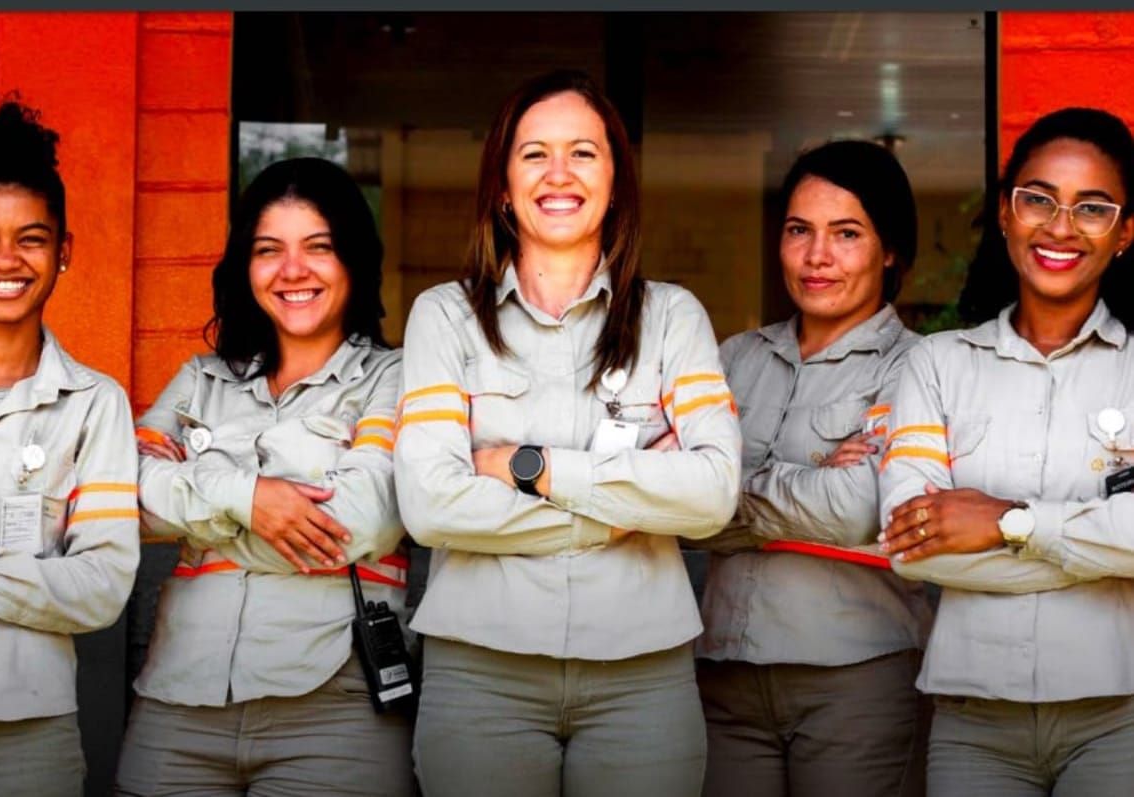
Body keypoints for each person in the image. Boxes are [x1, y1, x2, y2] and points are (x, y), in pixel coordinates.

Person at [394, 69, 741, 797]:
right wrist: (620, 511)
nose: (559, 174)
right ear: (500, 184)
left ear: (615, 180)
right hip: (480, 671)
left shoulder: (673, 319)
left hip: (640, 676)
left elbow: (710, 496)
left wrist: (530, 467)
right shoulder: (444, 317)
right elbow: (429, 506)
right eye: (533, 154)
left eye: (583, 152)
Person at [114, 158, 411, 796]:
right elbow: (123, 493)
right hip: (177, 704)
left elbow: (359, 521)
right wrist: (247, 498)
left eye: (318, 248)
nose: (292, 270)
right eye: (268, 250)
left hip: (336, 709)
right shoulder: (200, 380)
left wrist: (193, 493)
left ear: (353, 259)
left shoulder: (396, 378)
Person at [879, 107, 1134, 796]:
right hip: (972, 724)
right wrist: (1099, 556)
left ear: (1125, 233)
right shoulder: (934, 366)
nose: (1059, 226)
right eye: (1038, 199)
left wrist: (1008, 521)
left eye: (1092, 207)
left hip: (1120, 721)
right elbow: (910, 544)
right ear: (1003, 212)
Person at [0, 100, 140, 795]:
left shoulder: (93, 404)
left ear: (64, 250)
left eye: (31, 238)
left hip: (25, 727)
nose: (5, 260)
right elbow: (61, 583)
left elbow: (99, 588)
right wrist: (20, 578)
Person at [693, 139, 930, 797]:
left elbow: (861, 505)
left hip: (856, 675)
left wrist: (726, 491)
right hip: (722, 673)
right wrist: (813, 477)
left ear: (889, 250)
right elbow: (676, 505)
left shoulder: (917, 368)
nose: (815, 256)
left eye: (845, 233)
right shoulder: (733, 358)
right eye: (799, 230)